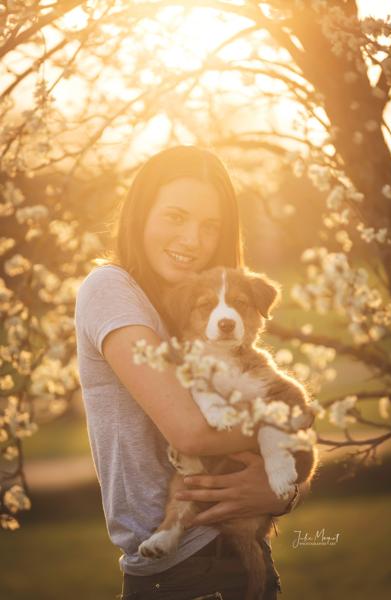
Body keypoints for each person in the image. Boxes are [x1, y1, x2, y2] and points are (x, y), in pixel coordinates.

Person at [75, 145, 310, 600]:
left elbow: (280, 447)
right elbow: (194, 434)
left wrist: (284, 490)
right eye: (175, 216)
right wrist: (289, 430)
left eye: (210, 226)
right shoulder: (112, 289)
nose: (191, 239)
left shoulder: (205, 305)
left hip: (241, 558)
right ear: (140, 215)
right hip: (181, 573)